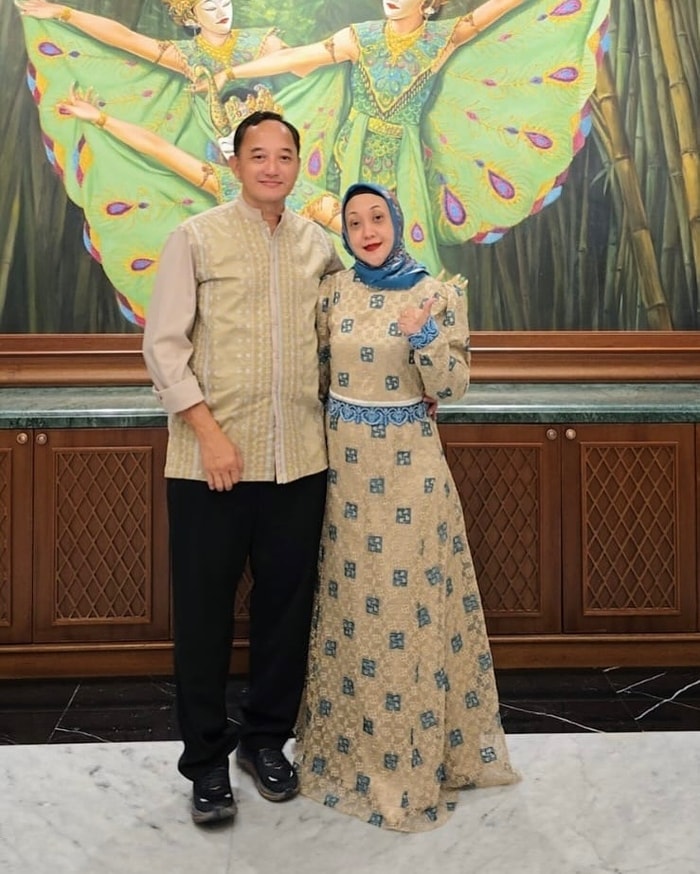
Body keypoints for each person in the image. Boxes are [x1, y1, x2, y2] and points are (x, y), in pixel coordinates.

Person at [293, 181, 519, 832]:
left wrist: (424, 340)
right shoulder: (334, 292)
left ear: (397, 221)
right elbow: (317, 377)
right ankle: (349, 757)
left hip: (411, 480)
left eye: (377, 218)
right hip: (345, 482)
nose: (368, 230)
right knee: (351, 614)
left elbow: (454, 385)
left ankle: (411, 767)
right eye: (355, 221)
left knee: (406, 614)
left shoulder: (435, 293)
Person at [142, 110, 344, 826]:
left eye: (284, 155)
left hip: (300, 461)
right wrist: (209, 433)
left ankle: (264, 742)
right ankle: (205, 762)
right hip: (212, 464)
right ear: (236, 164)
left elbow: (343, 337)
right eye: (258, 155)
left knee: (285, 614)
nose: (271, 167)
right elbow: (164, 346)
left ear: (298, 164)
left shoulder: (318, 246)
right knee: (203, 617)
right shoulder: (195, 237)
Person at [214, 0, 610, 273]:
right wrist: (230, 73)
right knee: (343, 233)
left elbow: (495, 10)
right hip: (350, 151)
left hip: (404, 160)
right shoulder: (361, 37)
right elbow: (293, 58)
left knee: (401, 242)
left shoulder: (443, 38)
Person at [15, 0, 288, 323]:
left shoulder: (263, 43)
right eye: (210, 6)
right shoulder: (186, 56)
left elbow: (306, 65)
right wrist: (66, 13)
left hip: (269, 157)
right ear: (191, 15)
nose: (221, 12)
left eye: (225, 3)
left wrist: (232, 73)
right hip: (210, 157)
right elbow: (125, 39)